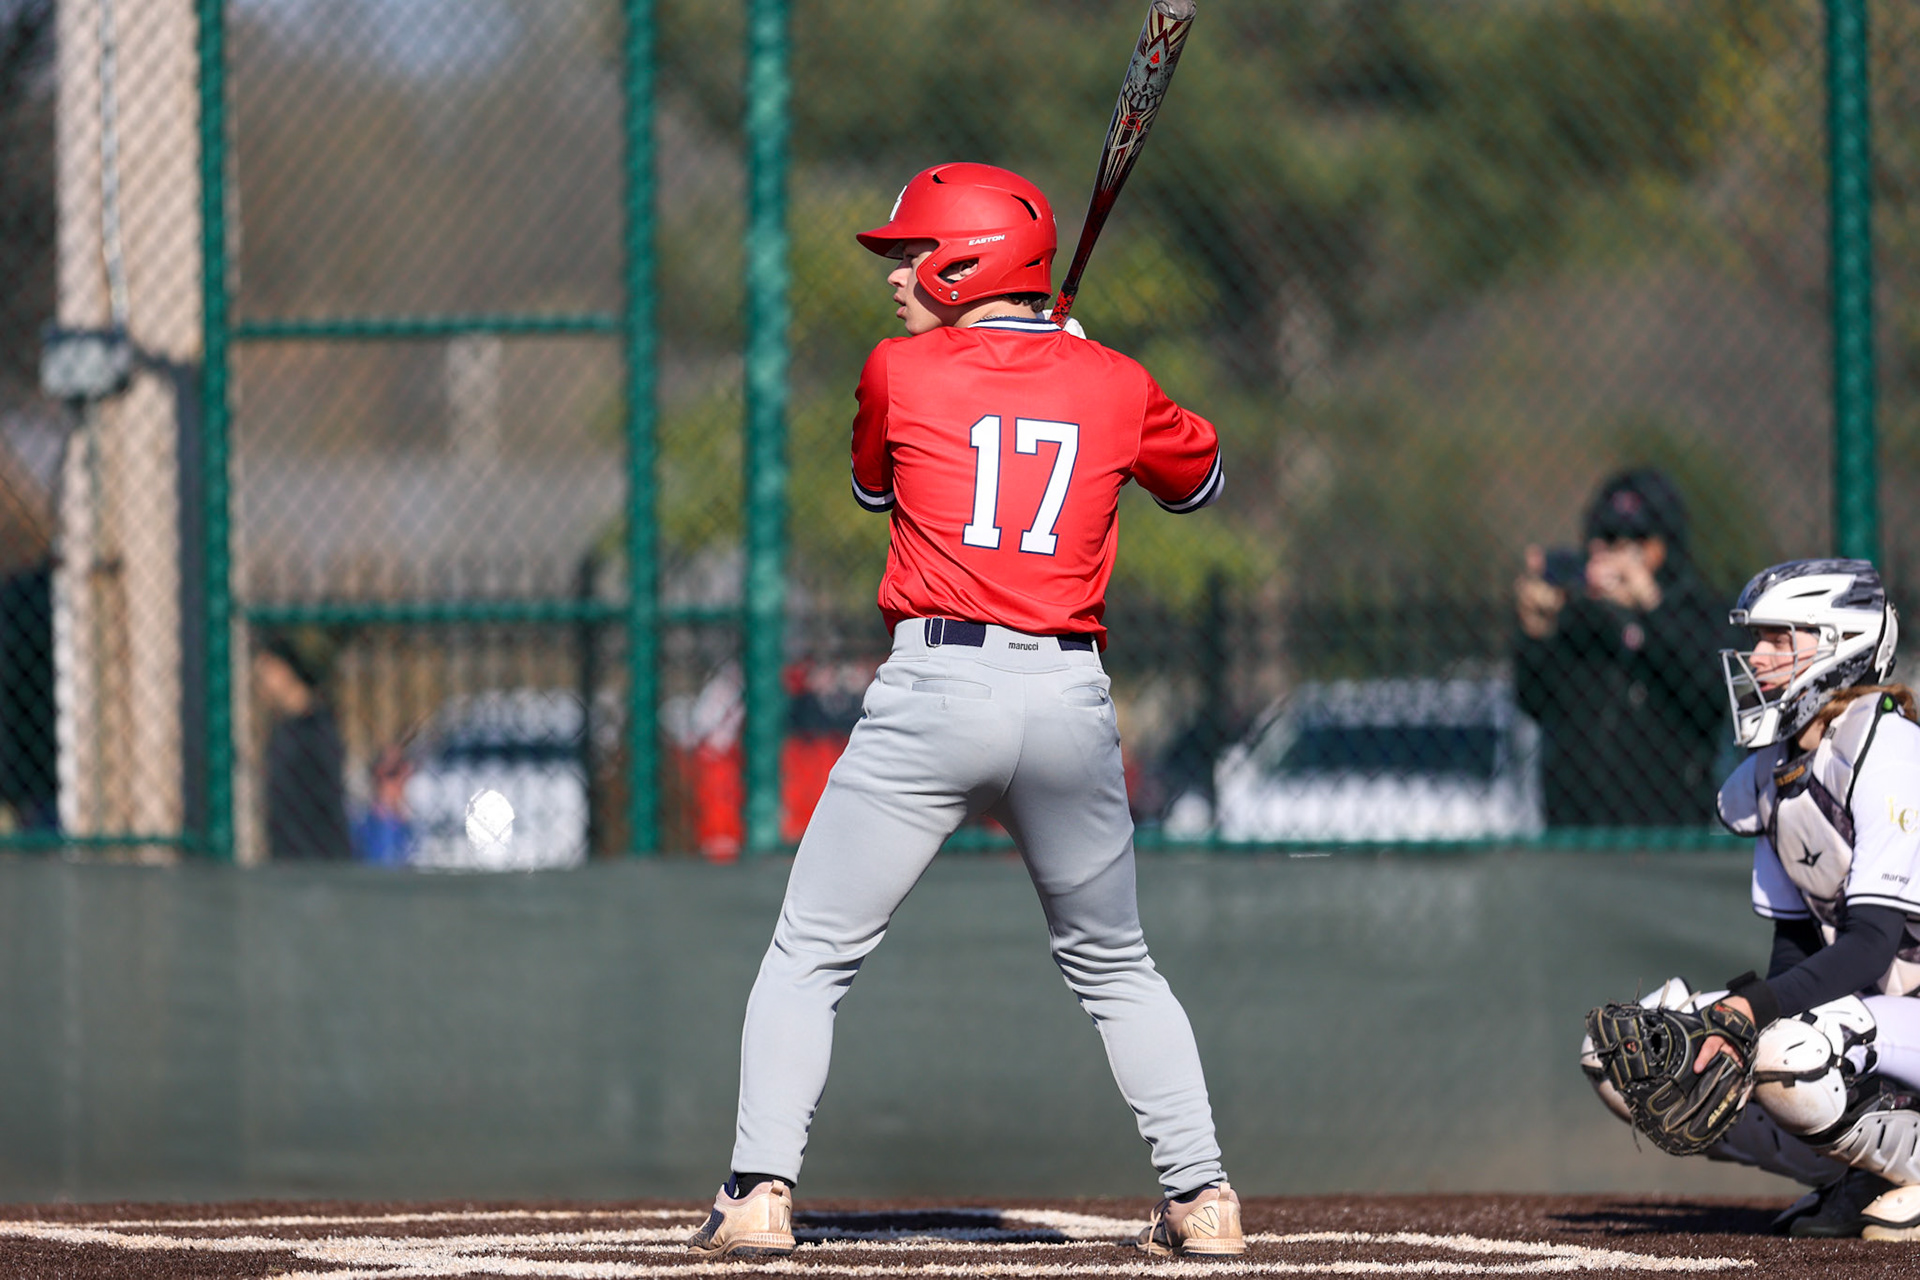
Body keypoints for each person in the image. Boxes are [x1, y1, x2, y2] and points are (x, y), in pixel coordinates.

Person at [687, 162, 1240, 1260]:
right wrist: (1081, 371)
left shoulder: (899, 369)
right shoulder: (1116, 379)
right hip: (1069, 698)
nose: (896, 276)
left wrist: (1029, 367)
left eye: (911, 254)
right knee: (1115, 961)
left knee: (811, 951)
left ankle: (758, 1192)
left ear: (964, 261)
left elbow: (873, 484)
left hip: (935, 690)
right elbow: (1204, 474)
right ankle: (1205, 1195)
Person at [1580, 559, 1920, 1240]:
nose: (1756, 657)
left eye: (1779, 638)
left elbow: (1874, 942)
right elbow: (1795, 952)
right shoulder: (1775, 774)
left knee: (1790, 1048)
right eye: (1755, 638)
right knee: (1631, 1054)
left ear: (1841, 641)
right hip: (1887, 1022)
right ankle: (1853, 1173)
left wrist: (1750, 1012)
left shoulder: (1890, 750)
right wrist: (1734, 1024)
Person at [1514, 467, 1728, 826]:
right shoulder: (1579, 622)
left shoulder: (1701, 615)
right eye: (1602, 539)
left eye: (1629, 542)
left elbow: (1710, 691)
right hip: (1575, 840)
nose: (1608, 554)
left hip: (1668, 842)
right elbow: (1532, 699)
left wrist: (1649, 605)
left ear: (1662, 546)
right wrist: (1535, 630)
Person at [254, 632, 352, 861]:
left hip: (317, 863)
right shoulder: (284, 730)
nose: (261, 682)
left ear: (285, 671)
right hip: (288, 863)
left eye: (268, 671)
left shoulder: (316, 731)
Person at [352, 744, 415, 866]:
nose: (401, 780)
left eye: (405, 773)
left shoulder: (411, 827)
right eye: (394, 772)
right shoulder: (362, 826)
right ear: (378, 775)